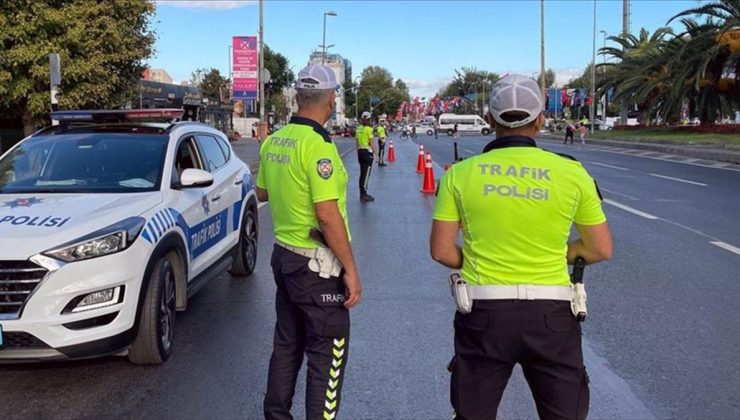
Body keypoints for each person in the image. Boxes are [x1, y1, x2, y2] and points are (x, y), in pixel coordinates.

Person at [430, 74, 612, 419]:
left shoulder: (460, 173)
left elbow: (441, 251)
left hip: (484, 314)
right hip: (552, 318)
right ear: (540, 120)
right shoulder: (572, 173)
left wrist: (488, 256)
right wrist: (553, 254)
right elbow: (600, 248)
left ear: (489, 119)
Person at [257, 64, 363, 420]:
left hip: (284, 257)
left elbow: (261, 192)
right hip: (317, 267)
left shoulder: (275, 141)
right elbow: (327, 215)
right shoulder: (319, 147)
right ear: (331, 100)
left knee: (287, 346)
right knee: (327, 355)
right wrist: (350, 269)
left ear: (298, 97)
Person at [356, 111, 378, 202]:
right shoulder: (369, 129)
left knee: (362, 174)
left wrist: (358, 153)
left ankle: (362, 192)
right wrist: (377, 155)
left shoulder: (358, 129)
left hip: (360, 151)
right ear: (369, 119)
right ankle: (364, 194)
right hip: (367, 153)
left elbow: (356, 142)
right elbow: (372, 143)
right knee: (366, 174)